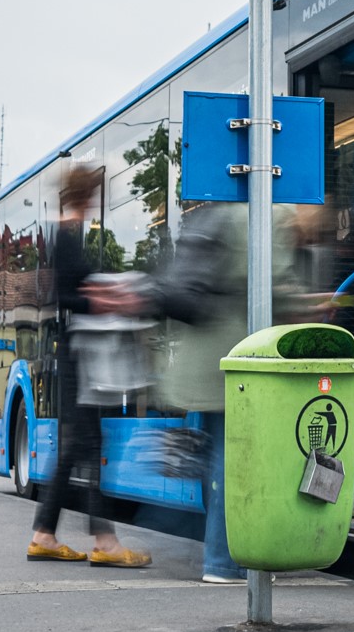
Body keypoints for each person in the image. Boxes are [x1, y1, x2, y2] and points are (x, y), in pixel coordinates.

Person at [90, 201, 248, 584]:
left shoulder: (206, 218)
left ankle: (221, 558)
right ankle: (224, 561)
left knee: (214, 457)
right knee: (224, 457)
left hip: (200, 371)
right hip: (224, 365)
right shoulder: (242, 220)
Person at [26, 165, 152, 568]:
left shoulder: (67, 234)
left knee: (77, 447)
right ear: (85, 194)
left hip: (78, 354)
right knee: (88, 445)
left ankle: (45, 534)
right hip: (80, 356)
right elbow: (68, 296)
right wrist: (113, 300)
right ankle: (104, 541)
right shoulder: (66, 236)